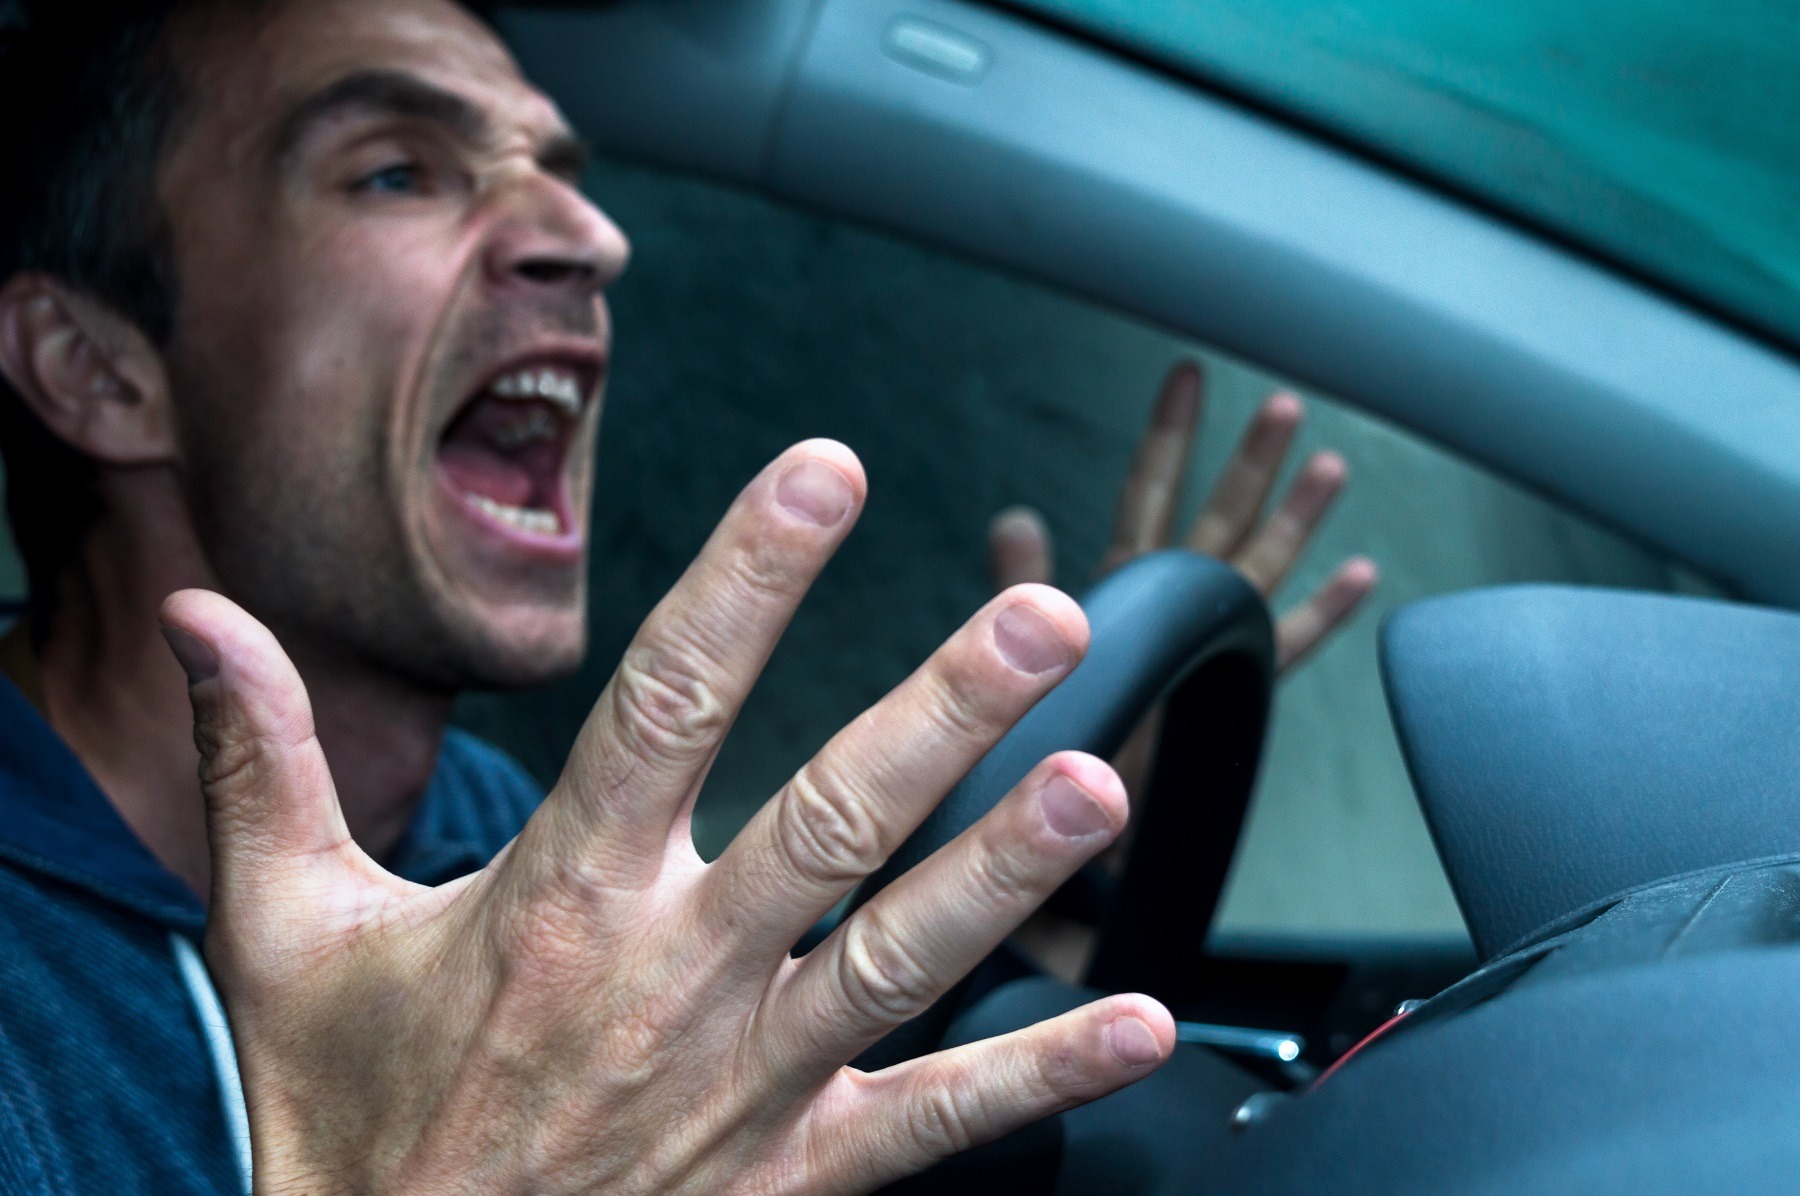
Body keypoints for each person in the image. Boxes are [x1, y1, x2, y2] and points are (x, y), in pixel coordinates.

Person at [0, 0, 1372, 1191]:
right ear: (91, 367)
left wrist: (1067, 855)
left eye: (561, 173)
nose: (591, 237)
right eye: (397, 173)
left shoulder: (497, 834)